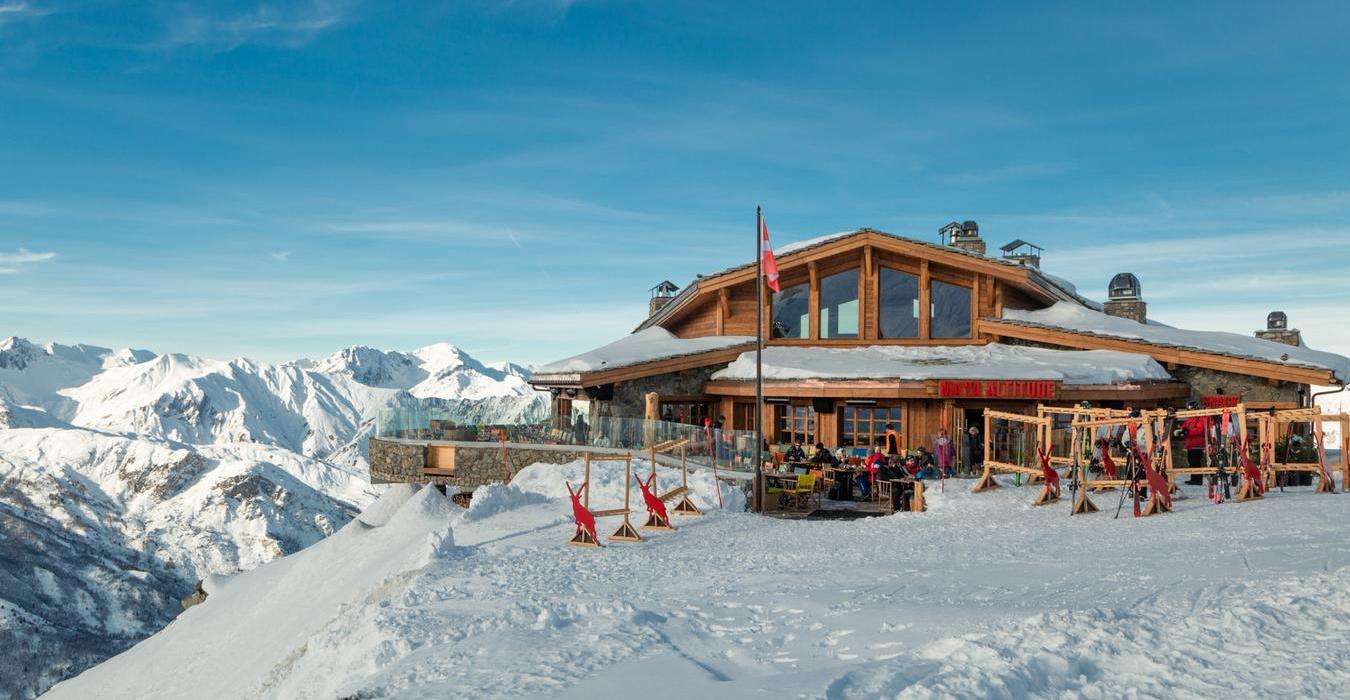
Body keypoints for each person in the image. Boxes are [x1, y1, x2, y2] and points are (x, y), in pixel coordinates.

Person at [1179, 400, 1208, 485]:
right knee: (1191, 461)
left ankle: (1198, 480)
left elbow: (1199, 429)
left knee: (1196, 461)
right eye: (1188, 410)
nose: (1189, 411)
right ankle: (1193, 478)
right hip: (1191, 444)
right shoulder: (1190, 418)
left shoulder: (1200, 417)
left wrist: (1188, 431)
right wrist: (1182, 430)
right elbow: (1185, 426)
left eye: (1191, 409)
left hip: (1197, 443)